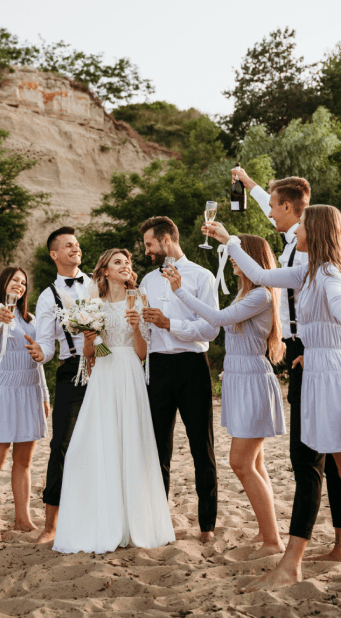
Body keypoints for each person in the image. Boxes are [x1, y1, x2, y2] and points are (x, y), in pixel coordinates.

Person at [203, 208, 341, 592]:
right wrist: (228, 238)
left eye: (300, 223)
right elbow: (262, 275)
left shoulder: (328, 272)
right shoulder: (305, 272)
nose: (294, 228)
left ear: (314, 229)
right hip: (316, 373)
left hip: (335, 379)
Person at [232, 168, 341, 568]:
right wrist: (249, 185)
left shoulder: (307, 253)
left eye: (274, 205)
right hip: (307, 348)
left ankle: (325, 547)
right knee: (329, 457)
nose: (271, 214)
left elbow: (339, 312)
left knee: (314, 459)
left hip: (316, 349)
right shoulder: (298, 249)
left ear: (292, 212)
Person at [162, 234, 286, 559]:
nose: (232, 259)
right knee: (256, 462)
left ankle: (273, 540)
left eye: (238, 253)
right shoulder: (247, 293)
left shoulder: (261, 295)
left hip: (252, 381)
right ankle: (266, 531)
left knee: (240, 462)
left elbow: (216, 320)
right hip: (239, 379)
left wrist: (179, 292)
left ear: (252, 258)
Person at [53, 248, 175, 554]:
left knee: (131, 441)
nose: (125, 266)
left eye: (128, 262)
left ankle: (134, 522)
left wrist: (136, 328)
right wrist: (88, 338)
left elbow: (143, 353)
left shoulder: (139, 299)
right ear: (105, 271)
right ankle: (100, 518)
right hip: (104, 377)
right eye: (118, 262)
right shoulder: (94, 305)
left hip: (129, 373)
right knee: (94, 443)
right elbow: (90, 356)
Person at [140, 216, 219, 543]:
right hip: (156, 368)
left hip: (192, 367)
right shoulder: (146, 281)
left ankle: (207, 527)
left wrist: (170, 324)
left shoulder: (202, 277)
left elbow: (211, 329)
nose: (146, 251)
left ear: (166, 241)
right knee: (157, 449)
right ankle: (158, 523)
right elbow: (143, 332)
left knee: (203, 446)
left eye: (149, 244)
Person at [24, 227, 93, 545]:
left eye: (76, 245)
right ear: (54, 254)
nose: (75, 248)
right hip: (71, 371)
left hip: (105, 369)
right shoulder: (47, 296)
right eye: (68, 246)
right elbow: (47, 344)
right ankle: (51, 525)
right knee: (61, 445)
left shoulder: (96, 284)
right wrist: (40, 352)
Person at [0, 266, 50, 543]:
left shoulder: (31, 320)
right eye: (14, 280)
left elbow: (39, 358)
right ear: (4, 283)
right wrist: (0, 319)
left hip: (30, 390)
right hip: (4, 390)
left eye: (23, 282)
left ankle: (23, 519)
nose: (19, 285)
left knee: (24, 461)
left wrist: (44, 394)